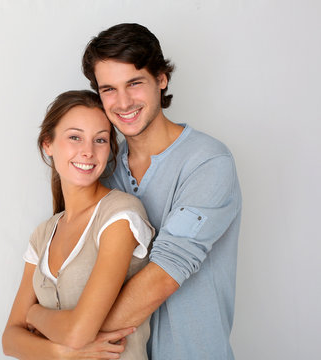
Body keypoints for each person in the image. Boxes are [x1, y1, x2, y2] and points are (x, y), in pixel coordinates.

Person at [81, 23, 242, 359]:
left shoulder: (208, 162)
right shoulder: (102, 170)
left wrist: (68, 337)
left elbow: (163, 276)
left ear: (161, 78)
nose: (122, 102)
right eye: (108, 89)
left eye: (134, 83)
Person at [2, 90, 156, 359]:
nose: (88, 151)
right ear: (47, 144)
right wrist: (62, 353)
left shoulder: (120, 215)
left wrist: (34, 313)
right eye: (75, 137)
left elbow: (79, 333)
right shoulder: (43, 234)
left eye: (100, 140)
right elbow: (10, 340)